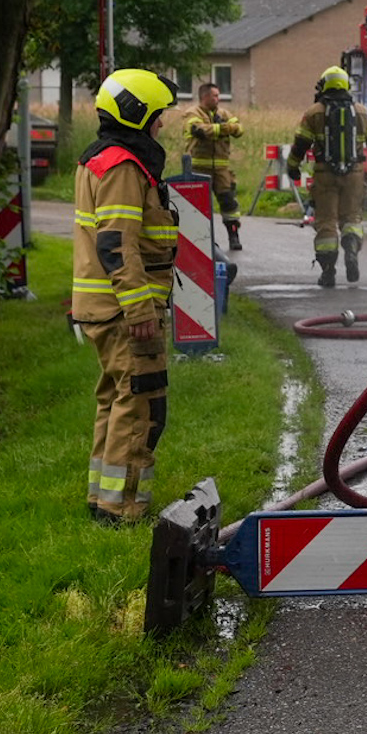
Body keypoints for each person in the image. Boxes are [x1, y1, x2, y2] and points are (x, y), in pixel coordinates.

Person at [73, 68, 180, 525]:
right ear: (137, 114)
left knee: (115, 402)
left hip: (104, 309)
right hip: (126, 312)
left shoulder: (100, 159)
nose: (160, 125)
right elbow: (116, 244)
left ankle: (103, 501)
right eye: (157, 116)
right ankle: (123, 510)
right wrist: (139, 309)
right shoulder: (121, 166)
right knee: (140, 404)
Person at [287, 66, 367, 287]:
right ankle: (351, 248)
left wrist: (292, 166)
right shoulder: (361, 111)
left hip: (325, 175)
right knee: (352, 219)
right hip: (354, 175)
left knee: (326, 223)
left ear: (325, 85)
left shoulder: (314, 112)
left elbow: (301, 143)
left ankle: (328, 272)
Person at [182, 81, 245, 251]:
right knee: (198, 207)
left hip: (222, 170)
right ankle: (200, 240)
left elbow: (239, 129)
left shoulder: (224, 113)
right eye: (215, 95)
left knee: (229, 204)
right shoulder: (191, 113)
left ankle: (233, 236)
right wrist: (224, 128)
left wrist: (220, 127)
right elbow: (200, 131)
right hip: (198, 169)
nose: (218, 99)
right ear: (205, 97)